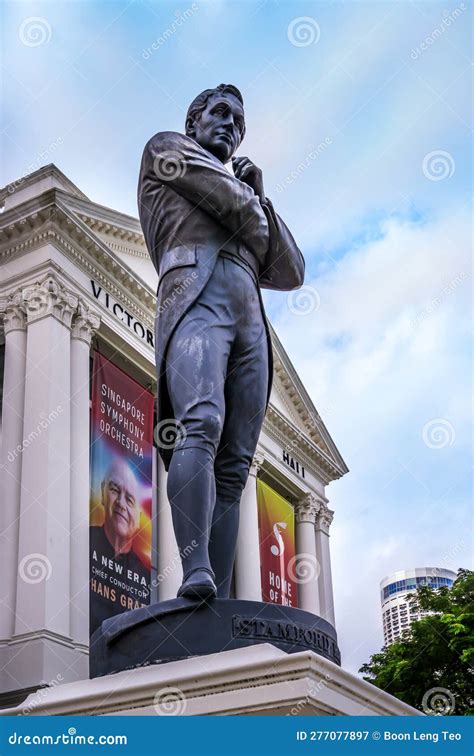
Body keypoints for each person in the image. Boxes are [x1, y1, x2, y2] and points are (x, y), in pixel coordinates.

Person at [138, 84, 304, 601]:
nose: (231, 124)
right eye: (221, 113)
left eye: (239, 121)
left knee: (235, 465)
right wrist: (251, 204)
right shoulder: (166, 148)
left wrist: (263, 198)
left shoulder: (247, 191)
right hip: (196, 296)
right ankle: (194, 572)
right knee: (200, 422)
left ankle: (220, 595)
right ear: (195, 121)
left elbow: (291, 270)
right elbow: (232, 204)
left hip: (249, 317)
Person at [90, 460, 149, 634]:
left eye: (130, 500)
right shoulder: (83, 542)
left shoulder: (145, 577)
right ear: (102, 492)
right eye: (114, 490)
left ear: (139, 516)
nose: (121, 503)